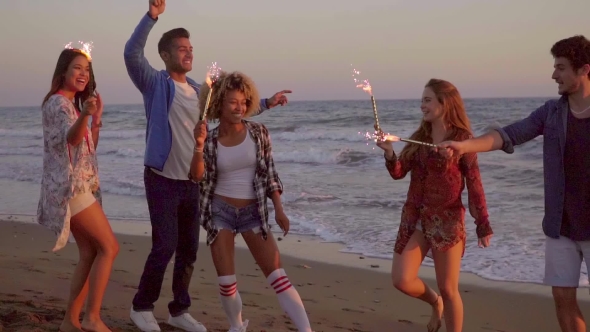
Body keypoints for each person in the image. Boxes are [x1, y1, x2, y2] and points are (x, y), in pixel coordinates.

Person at [124, 1, 292, 331]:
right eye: (181, 49)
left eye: (190, 48)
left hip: (193, 181)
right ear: (166, 55)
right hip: (161, 178)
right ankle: (141, 307)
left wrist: (268, 104)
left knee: (188, 249)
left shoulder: (202, 92)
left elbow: (233, 111)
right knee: (165, 245)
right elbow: (131, 53)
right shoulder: (155, 83)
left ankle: (178, 310)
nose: (188, 53)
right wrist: (151, 18)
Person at [438, 35, 590, 332]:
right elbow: (509, 134)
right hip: (561, 226)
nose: (553, 75)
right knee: (562, 298)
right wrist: (465, 146)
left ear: (584, 69)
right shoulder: (551, 112)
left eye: (560, 68)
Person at [189, 71, 312, 332]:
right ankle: (236, 326)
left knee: (278, 276)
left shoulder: (258, 132)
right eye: (233, 102)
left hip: (253, 211)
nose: (239, 107)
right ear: (219, 103)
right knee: (226, 281)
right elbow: (196, 176)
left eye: (244, 102)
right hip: (219, 211)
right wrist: (198, 145)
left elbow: (270, 174)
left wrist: (279, 209)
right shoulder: (210, 140)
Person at [376, 79, 493, 332]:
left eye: (427, 100)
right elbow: (398, 172)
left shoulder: (462, 140)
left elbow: (474, 182)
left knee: (450, 289)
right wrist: (388, 152)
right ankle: (434, 303)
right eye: (422, 100)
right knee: (402, 280)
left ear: (444, 103)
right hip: (415, 217)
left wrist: (482, 223)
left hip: (447, 221)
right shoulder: (421, 137)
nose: (422, 106)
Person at [38, 48, 119, 332]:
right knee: (109, 247)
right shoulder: (59, 104)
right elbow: (71, 140)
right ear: (63, 72)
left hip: (77, 186)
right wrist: (84, 113)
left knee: (90, 252)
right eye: (77, 68)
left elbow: (87, 147)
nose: (83, 73)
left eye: (86, 69)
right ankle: (92, 318)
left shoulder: (71, 106)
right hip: (72, 188)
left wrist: (95, 119)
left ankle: (70, 321)